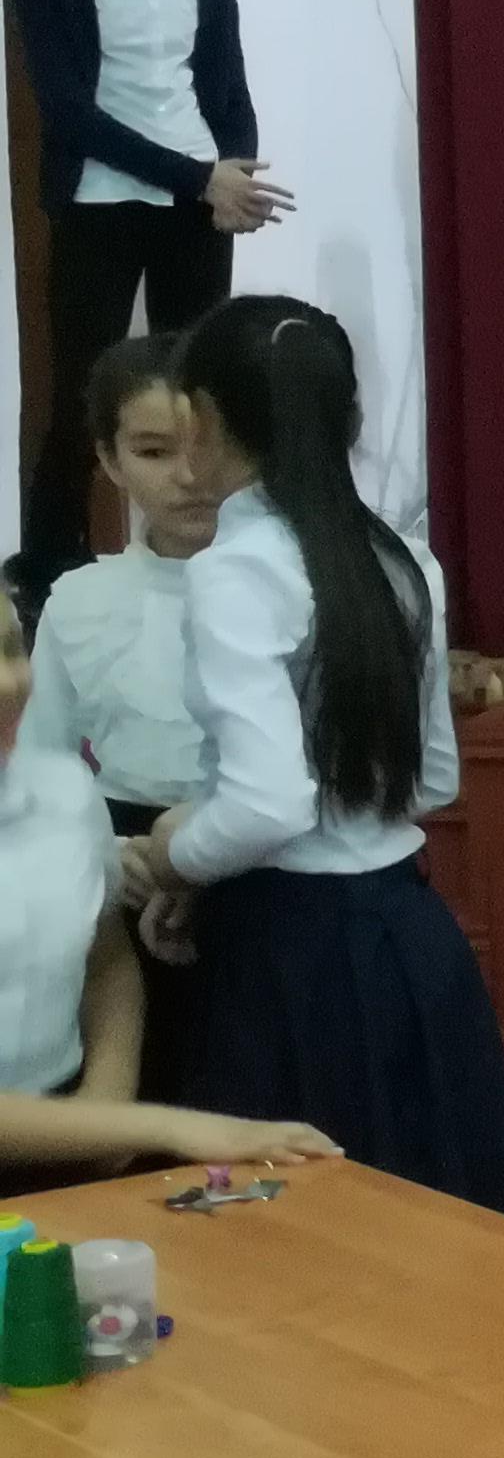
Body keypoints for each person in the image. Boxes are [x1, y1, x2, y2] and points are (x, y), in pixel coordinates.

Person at [119, 297, 504, 1215]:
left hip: (289, 959)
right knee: (435, 1230)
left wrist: (174, 852)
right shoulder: (401, 559)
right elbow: (432, 778)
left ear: (203, 416)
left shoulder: (238, 568)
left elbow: (267, 806)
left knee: (307, 1246)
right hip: (409, 939)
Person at [0, 0, 292, 608]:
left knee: (200, 381)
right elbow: (69, 112)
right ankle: (49, 570)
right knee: (83, 385)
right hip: (101, 200)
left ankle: (203, 548)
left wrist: (233, 178)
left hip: (198, 203)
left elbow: (226, 89)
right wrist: (199, 176)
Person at [0, 589, 332, 1182]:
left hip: (75, 1150)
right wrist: (161, 1127)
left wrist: (105, 1101)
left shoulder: (66, 791)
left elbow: (105, 962)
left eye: (10, 649)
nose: (8, 683)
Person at [28, 337, 220, 1097]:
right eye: (153, 451)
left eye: (208, 443)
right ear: (110, 462)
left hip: (273, 870)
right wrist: (112, 859)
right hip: (126, 873)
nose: (189, 475)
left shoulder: (301, 587)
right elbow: (38, 774)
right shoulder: (80, 600)